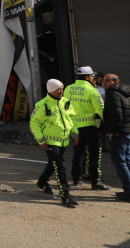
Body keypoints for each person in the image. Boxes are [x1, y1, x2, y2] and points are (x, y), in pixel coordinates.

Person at [31, 79, 80, 207]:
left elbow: (72, 118)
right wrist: (40, 139)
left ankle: (42, 182)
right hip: (50, 142)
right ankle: (65, 194)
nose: (61, 91)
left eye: (62, 88)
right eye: (59, 89)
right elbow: (34, 122)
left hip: (63, 141)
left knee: (54, 164)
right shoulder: (42, 105)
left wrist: (75, 132)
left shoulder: (65, 102)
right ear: (51, 90)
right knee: (60, 165)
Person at [64, 66, 111, 190]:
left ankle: (76, 180)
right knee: (95, 154)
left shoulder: (68, 89)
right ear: (87, 77)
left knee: (78, 153)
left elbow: (65, 108)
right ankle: (96, 182)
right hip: (92, 127)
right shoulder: (92, 90)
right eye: (92, 76)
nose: (93, 78)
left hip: (75, 127)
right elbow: (100, 110)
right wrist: (109, 127)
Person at [103, 74, 130, 202]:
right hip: (126, 132)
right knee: (127, 161)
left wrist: (113, 131)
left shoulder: (113, 94)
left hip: (119, 133)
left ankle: (128, 190)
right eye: (104, 81)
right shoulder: (125, 93)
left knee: (119, 162)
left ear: (116, 82)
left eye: (108, 81)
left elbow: (116, 115)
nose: (105, 83)